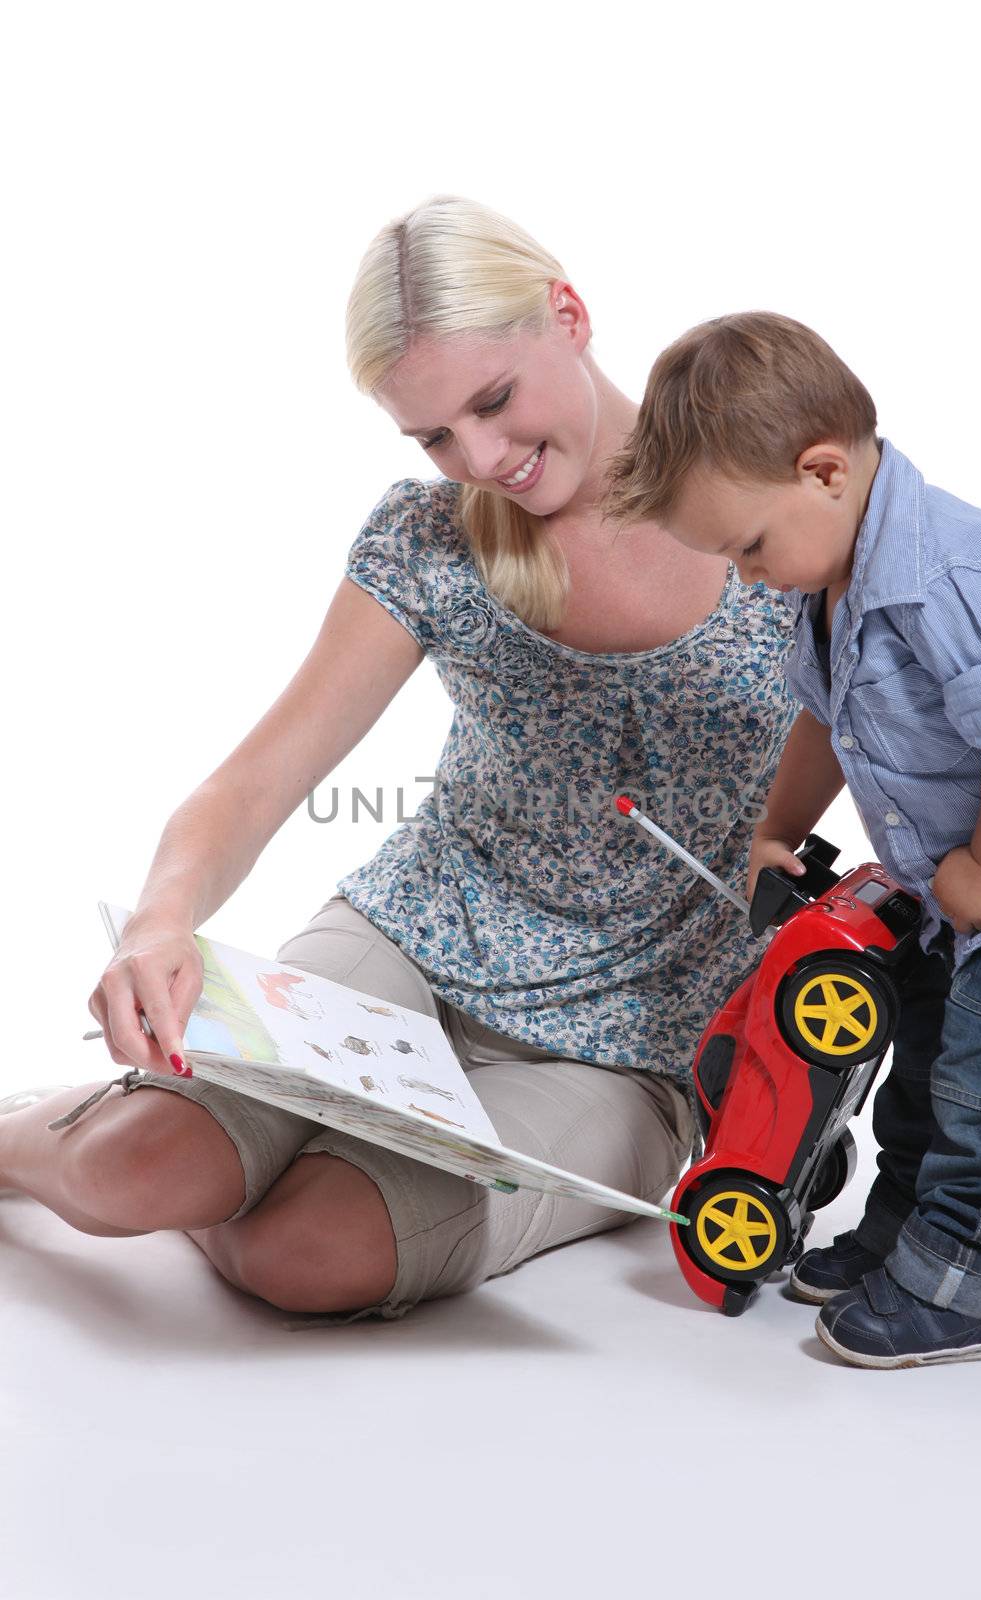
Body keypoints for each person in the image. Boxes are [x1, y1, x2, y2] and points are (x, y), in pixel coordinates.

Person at [0, 203, 797, 1328]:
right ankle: (37, 1135)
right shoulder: (436, 538)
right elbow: (254, 779)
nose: (479, 460)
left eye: (492, 401)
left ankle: (272, 1149)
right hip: (414, 940)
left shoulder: (776, 527)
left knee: (303, 1256)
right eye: (432, 437)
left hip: (629, 1041)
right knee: (139, 1169)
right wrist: (158, 922)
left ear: (567, 315)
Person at [606, 309, 981, 1367]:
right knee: (921, 1067)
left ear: (821, 471)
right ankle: (902, 1236)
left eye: (747, 547)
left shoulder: (944, 573)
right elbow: (822, 717)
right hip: (962, 892)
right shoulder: (828, 585)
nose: (746, 578)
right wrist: (776, 829)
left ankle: (964, 1287)